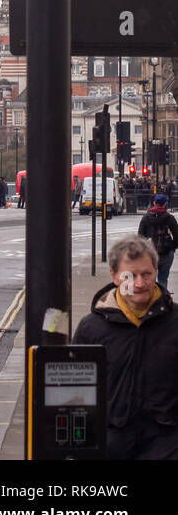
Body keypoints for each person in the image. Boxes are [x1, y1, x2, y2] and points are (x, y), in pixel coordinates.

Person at [72, 235, 178, 459]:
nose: (139, 284)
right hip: (110, 445)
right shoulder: (91, 329)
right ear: (114, 275)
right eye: (130, 275)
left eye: (146, 274)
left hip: (167, 443)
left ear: (156, 270)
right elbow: (76, 392)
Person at [139, 194, 178, 290]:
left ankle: (152, 300)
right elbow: (177, 236)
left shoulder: (146, 218)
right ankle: (163, 300)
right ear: (165, 204)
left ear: (154, 203)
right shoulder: (170, 218)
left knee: (150, 277)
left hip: (150, 253)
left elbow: (140, 237)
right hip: (166, 252)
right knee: (163, 278)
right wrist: (172, 248)